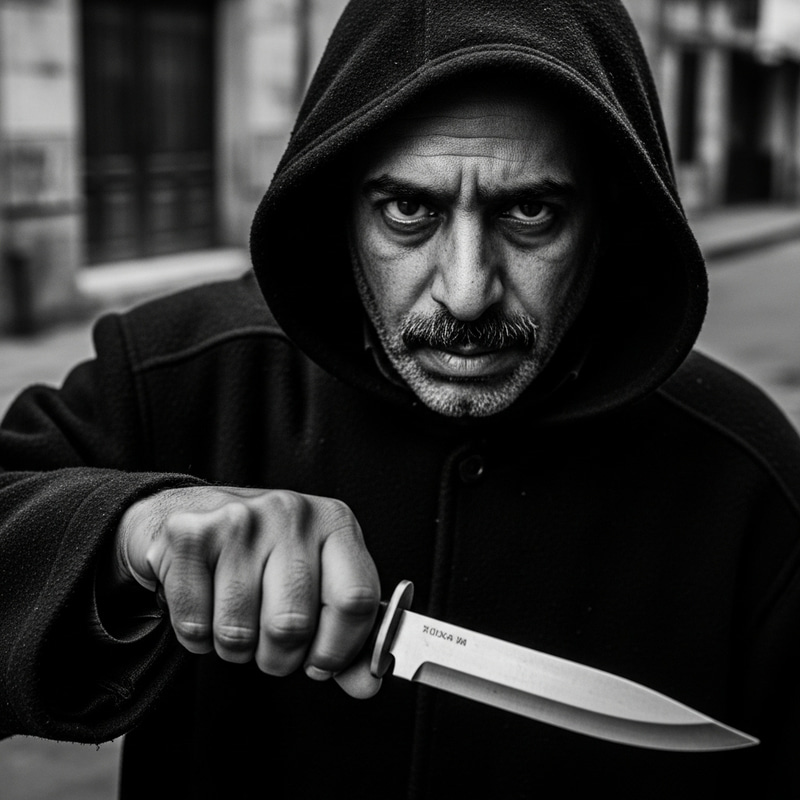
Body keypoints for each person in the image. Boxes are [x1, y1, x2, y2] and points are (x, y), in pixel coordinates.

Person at [1, 0, 799, 797]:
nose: (465, 294)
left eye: (530, 212)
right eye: (409, 210)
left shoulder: (747, 480)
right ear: (338, 208)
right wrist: (126, 533)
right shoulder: (173, 376)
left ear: (608, 220)